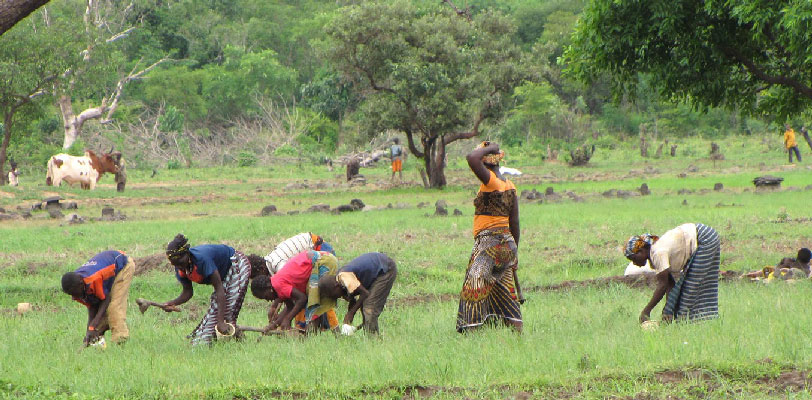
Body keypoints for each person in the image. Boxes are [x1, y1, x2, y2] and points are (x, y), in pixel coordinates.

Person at [456, 141, 522, 333]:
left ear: (487, 163)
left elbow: (471, 158)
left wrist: (488, 148)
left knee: (474, 286)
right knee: (505, 290)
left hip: (489, 244)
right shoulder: (510, 186)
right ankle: (516, 330)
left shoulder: (491, 181)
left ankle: (471, 331)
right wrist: (514, 252)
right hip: (507, 244)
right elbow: (515, 223)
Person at [160, 234, 252, 345]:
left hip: (236, 264)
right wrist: (173, 303)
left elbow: (219, 289)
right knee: (221, 310)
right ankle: (235, 338)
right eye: (175, 264)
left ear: (187, 253)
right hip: (223, 275)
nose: (180, 266)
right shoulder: (181, 268)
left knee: (225, 309)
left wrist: (220, 322)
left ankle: (229, 336)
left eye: (180, 262)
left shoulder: (202, 260)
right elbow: (188, 292)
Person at [624, 223, 720, 324]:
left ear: (641, 250)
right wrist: (668, 310)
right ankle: (693, 321)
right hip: (700, 235)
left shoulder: (658, 253)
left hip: (704, 238)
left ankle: (690, 322)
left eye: (634, 258)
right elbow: (670, 284)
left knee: (690, 288)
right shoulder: (654, 254)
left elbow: (662, 285)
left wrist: (646, 311)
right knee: (687, 289)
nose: (635, 263)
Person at [259, 232, 338, 330]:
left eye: (266, 297)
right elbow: (290, 305)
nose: (268, 300)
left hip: (322, 259)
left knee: (314, 298)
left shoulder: (278, 272)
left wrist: (287, 319)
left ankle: (314, 333)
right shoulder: (276, 281)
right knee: (312, 297)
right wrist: (275, 324)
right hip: (316, 259)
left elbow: (301, 298)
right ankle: (312, 332)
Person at [61, 250, 135, 346]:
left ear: (80, 284)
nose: (73, 297)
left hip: (123, 266)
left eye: (74, 293)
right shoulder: (77, 286)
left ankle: (120, 341)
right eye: (70, 294)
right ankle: (96, 338)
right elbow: (92, 306)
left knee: (114, 307)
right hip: (107, 273)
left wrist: (94, 323)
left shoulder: (92, 279)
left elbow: (106, 298)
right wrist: (90, 329)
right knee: (98, 319)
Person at [319, 252, 398, 335]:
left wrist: (350, 314)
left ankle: (374, 340)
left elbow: (365, 293)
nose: (339, 297)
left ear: (335, 286)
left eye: (335, 295)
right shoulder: (340, 280)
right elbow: (354, 301)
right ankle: (369, 334)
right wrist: (348, 321)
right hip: (376, 271)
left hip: (385, 270)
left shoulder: (345, 277)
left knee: (369, 308)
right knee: (365, 306)